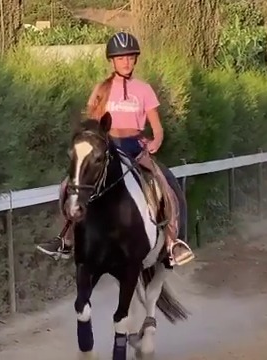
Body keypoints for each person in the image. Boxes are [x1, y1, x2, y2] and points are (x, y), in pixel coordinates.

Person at [36, 31, 195, 266]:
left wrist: (155, 142)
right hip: (107, 148)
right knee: (67, 186)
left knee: (164, 183)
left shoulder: (144, 89)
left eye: (130, 58)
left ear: (135, 60)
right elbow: (91, 124)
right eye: (121, 58)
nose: (126, 62)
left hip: (134, 147)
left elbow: (157, 127)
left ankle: (172, 242)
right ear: (112, 61)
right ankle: (66, 238)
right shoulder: (101, 89)